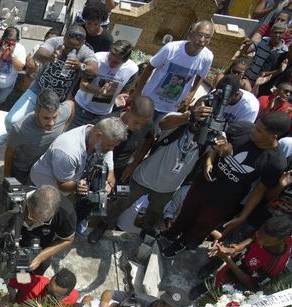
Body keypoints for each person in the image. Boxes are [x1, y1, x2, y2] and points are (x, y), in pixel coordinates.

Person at [161, 112, 290, 258]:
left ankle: (183, 244)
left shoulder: (276, 161)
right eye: (256, 126)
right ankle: (170, 235)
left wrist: (242, 216)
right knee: (186, 211)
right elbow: (217, 141)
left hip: (225, 200)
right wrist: (209, 161)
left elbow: (260, 189)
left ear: (274, 136)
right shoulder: (244, 128)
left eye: (260, 131)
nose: (254, 131)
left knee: (202, 225)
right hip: (203, 184)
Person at [88, 102, 210, 243]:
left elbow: (222, 150)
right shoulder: (177, 120)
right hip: (142, 178)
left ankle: (144, 235)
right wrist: (190, 117)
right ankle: (103, 225)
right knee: (120, 203)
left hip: (167, 189)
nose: (199, 123)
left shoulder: (211, 133)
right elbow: (163, 124)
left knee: (154, 214)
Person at [5, 24, 97, 129]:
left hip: (58, 99)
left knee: (43, 129)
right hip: (37, 90)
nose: (70, 50)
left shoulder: (86, 52)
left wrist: (81, 65)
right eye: (68, 46)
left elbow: (94, 70)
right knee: (11, 120)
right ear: (64, 37)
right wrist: (50, 56)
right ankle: (10, 139)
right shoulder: (55, 41)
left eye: (75, 48)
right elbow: (38, 55)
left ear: (83, 42)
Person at [130, 20, 214, 122]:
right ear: (191, 34)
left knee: (156, 133)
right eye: (199, 35)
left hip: (171, 108)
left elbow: (200, 76)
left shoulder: (207, 57)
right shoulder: (171, 49)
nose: (202, 40)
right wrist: (137, 91)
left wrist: (191, 94)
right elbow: (149, 67)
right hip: (150, 100)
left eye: (207, 37)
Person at [0, 185, 77, 276]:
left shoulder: (66, 213)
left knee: (37, 270)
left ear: (55, 213)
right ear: (28, 203)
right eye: (31, 217)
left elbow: (67, 240)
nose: (34, 224)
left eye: (43, 221)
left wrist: (41, 257)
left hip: (38, 250)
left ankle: (23, 283)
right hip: (7, 244)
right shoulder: (3, 203)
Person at [29, 116, 128, 195]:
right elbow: (63, 185)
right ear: (99, 135)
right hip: (41, 187)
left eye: (113, 146)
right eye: (110, 145)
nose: (111, 150)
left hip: (64, 191)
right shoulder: (68, 151)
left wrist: (108, 185)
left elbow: (110, 171)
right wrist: (82, 185)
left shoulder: (104, 142)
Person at [4, 89, 73, 185]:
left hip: (44, 168)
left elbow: (71, 104)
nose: (51, 123)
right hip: (22, 169)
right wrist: (7, 177)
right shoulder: (20, 129)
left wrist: (64, 131)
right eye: (46, 118)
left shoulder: (64, 112)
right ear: (36, 111)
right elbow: (9, 152)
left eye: (54, 117)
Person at [70, 40, 140, 128]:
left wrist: (120, 96)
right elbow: (83, 85)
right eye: (109, 58)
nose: (111, 64)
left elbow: (125, 91)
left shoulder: (132, 69)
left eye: (116, 62)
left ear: (125, 61)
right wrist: (100, 91)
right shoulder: (97, 58)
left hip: (104, 114)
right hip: (82, 108)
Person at [211, 215, 292, 290]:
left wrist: (227, 259)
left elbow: (251, 284)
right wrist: (235, 248)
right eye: (259, 236)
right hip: (232, 267)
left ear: (283, 240)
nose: (260, 242)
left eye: (266, 242)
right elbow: (253, 238)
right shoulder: (267, 234)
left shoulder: (274, 264)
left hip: (237, 288)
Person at [0, 26, 26, 106]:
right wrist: (0, 51)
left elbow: (20, 67)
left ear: (17, 40)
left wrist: (12, 54)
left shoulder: (20, 49)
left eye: (13, 40)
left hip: (7, 86)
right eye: (8, 39)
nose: (10, 42)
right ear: (4, 38)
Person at [9, 268, 79, 306]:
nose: (47, 296)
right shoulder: (32, 281)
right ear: (51, 279)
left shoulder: (73, 297)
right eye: (47, 289)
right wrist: (11, 296)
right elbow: (7, 277)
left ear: (66, 295)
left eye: (54, 296)